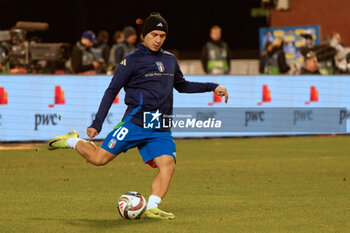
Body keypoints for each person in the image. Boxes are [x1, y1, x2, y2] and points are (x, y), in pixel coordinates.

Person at [48, 12, 228, 219]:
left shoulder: (170, 60)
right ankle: (72, 140)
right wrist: (97, 122)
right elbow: (112, 90)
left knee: (168, 164)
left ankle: (152, 207)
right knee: (99, 159)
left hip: (159, 126)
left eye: (162, 35)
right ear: (144, 35)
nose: (158, 39)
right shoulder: (131, 60)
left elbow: (182, 85)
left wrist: (212, 87)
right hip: (135, 122)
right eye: (154, 34)